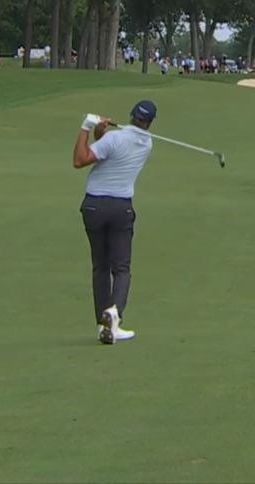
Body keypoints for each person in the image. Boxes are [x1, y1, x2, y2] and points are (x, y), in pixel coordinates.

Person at [72, 100, 157, 345]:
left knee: (100, 267)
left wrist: (86, 128)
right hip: (121, 208)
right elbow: (103, 148)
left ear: (130, 115)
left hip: (94, 206)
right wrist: (102, 133)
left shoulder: (115, 139)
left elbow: (80, 159)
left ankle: (103, 324)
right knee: (121, 268)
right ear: (149, 122)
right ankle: (114, 315)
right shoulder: (146, 144)